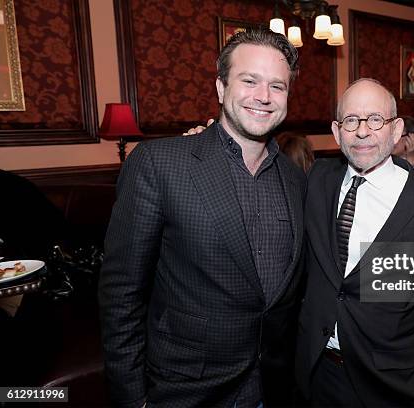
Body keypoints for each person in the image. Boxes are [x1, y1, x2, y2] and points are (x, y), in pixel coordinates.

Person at [98, 29, 306, 408]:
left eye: (277, 86)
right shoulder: (159, 164)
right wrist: (132, 398)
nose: (264, 96)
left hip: (272, 387)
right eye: (249, 81)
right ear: (221, 88)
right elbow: (121, 295)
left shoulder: (295, 180)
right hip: (184, 391)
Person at [295, 78, 414, 407]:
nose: (362, 132)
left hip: (391, 386)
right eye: (351, 121)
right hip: (316, 373)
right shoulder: (316, 180)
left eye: (375, 120)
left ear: (396, 128)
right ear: (336, 131)